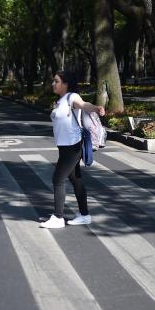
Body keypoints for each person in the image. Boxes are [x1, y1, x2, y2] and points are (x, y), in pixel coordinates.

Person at [40, 71, 105, 229]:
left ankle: (58, 217)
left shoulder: (72, 97)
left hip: (73, 147)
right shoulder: (60, 100)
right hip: (64, 147)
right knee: (75, 179)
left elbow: (84, 105)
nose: (53, 84)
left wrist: (96, 108)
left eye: (56, 81)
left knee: (58, 179)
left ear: (65, 84)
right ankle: (84, 215)